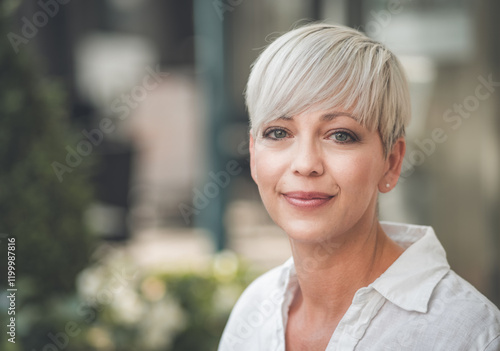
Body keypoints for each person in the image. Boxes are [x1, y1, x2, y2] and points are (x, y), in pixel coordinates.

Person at [218, 23, 500, 351]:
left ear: (391, 162)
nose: (306, 163)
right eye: (279, 133)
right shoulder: (255, 309)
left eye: (341, 135)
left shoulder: (468, 334)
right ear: (254, 155)